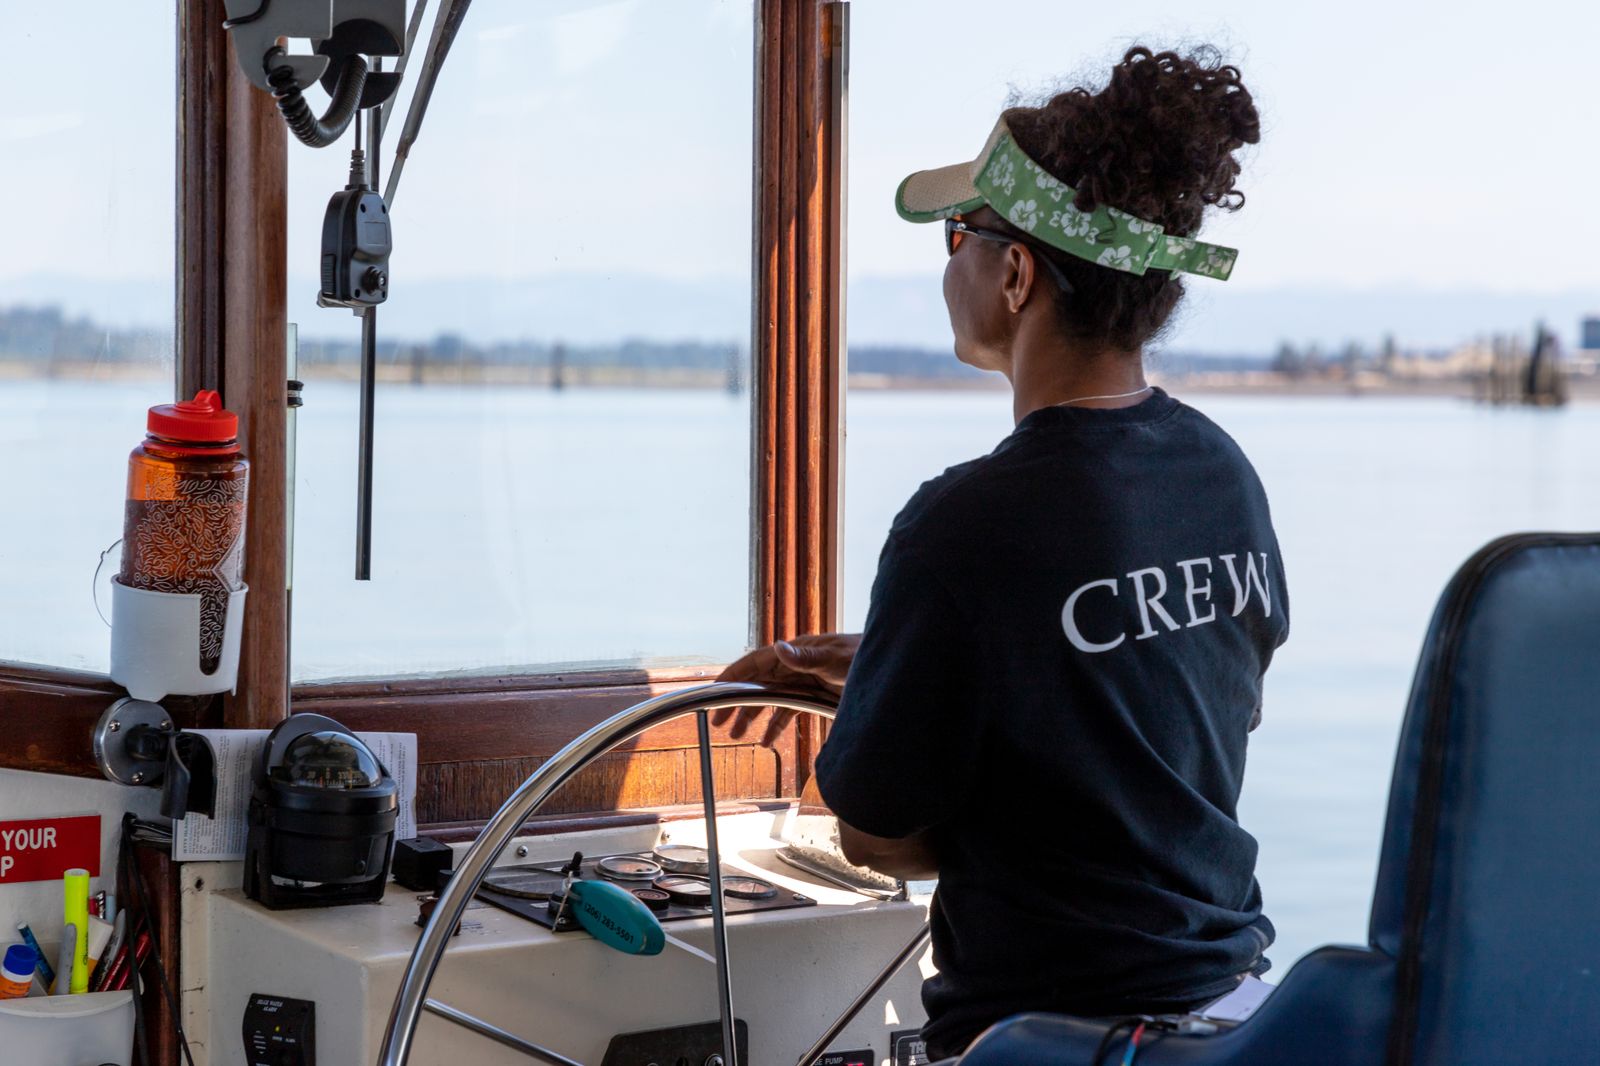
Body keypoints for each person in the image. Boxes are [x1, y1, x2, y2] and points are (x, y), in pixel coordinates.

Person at [717, 45, 1287, 1059]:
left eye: (958, 235)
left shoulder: (961, 525)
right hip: (1236, 1022)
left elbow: (878, 836)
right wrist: (895, 663)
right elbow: (1182, 715)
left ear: (1015, 273)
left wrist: (887, 709)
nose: (949, 263)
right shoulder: (1222, 473)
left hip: (1053, 1042)